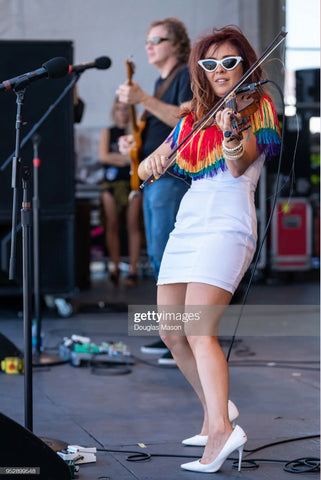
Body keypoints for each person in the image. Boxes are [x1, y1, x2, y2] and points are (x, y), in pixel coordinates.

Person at [138, 25, 281, 473]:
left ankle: (222, 430)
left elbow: (239, 167)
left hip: (227, 224)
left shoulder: (256, 108)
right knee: (170, 331)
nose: (220, 71)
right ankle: (215, 412)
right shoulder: (190, 120)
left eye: (230, 62)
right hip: (189, 225)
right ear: (199, 70)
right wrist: (151, 160)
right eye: (210, 64)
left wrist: (231, 134)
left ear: (245, 65)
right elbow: (144, 170)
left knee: (200, 331)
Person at [117, 17, 193, 361]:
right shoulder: (160, 81)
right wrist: (135, 142)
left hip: (172, 178)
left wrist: (142, 98)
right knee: (160, 259)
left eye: (157, 39)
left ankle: (182, 338)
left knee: (171, 260)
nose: (149, 45)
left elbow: (184, 120)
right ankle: (171, 336)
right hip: (154, 179)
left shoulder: (184, 76)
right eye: (147, 40)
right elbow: (161, 127)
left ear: (176, 45)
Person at [99, 98, 142, 286]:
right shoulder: (107, 132)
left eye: (126, 109)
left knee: (133, 225)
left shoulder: (136, 132)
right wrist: (125, 159)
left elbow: (140, 158)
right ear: (114, 111)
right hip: (111, 183)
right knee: (112, 224)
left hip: (132, 182)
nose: (122, 113)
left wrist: (119, 158)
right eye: (119, 109)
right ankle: (114, 266)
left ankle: (132, 270)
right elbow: (103, 156)